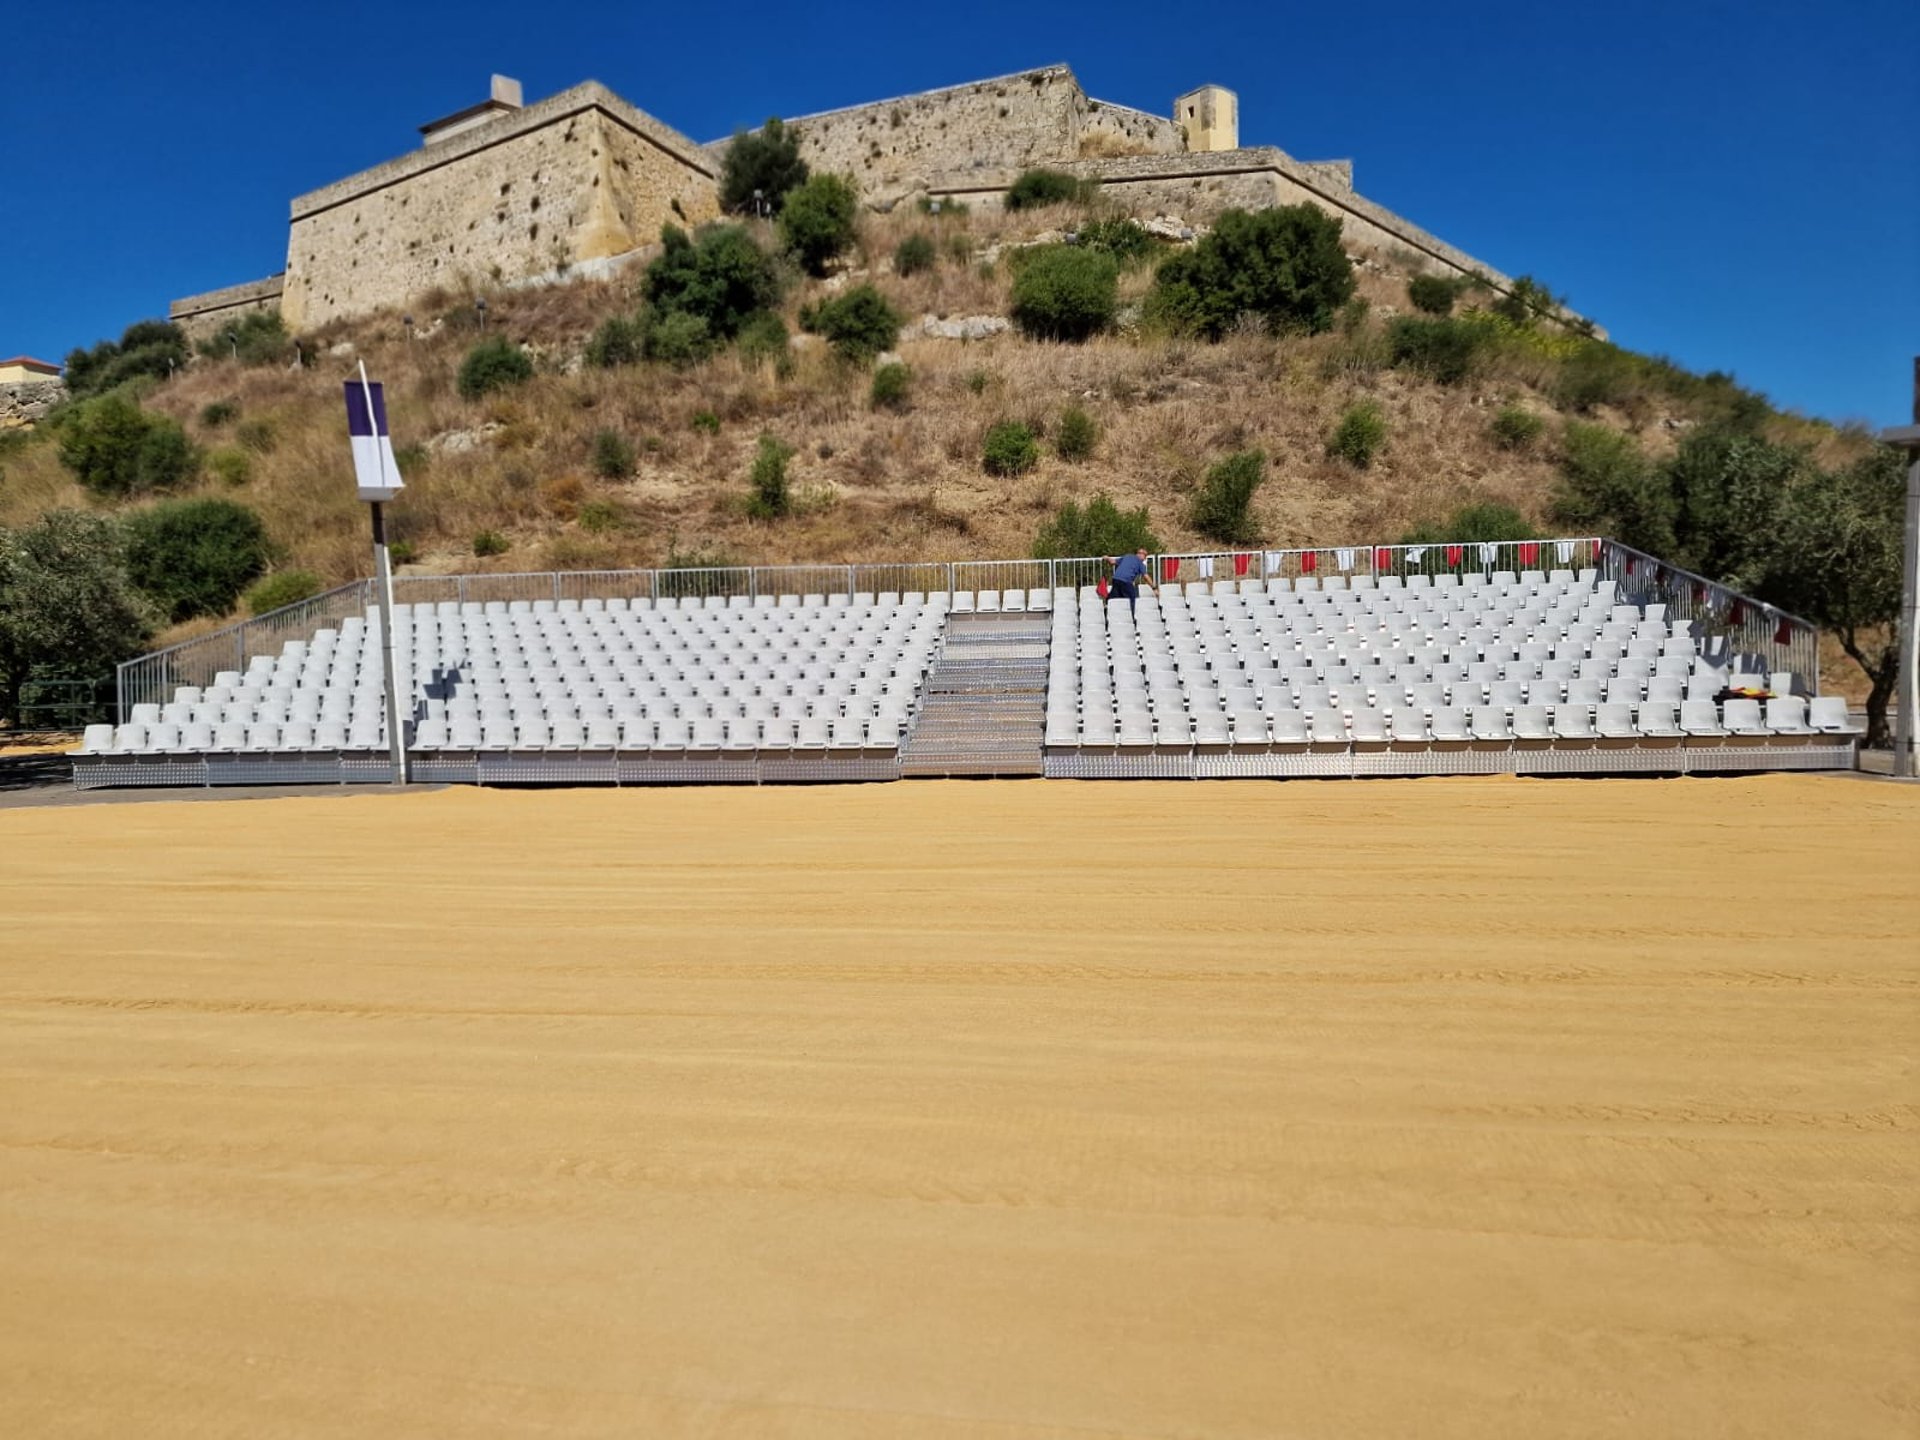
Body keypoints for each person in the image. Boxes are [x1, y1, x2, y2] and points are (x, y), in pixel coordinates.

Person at [1106, 547, 1157, 616]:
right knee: (1132, 599)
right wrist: (1154, 588)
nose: (1144, 558)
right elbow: (1146, 577)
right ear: (1142, 555)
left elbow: (1112, 562)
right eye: (1145, 556)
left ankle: (1108, 614)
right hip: (1126, 581)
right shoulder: (1140, 563)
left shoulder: (1127, 556)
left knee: (1113, 599)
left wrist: (1106, 558)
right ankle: (1131, 618)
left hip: (1116, 579)